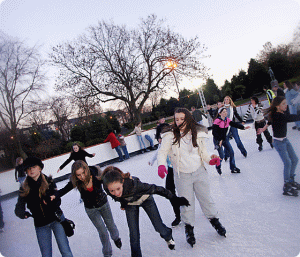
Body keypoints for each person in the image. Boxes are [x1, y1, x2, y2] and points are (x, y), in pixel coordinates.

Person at [157, 107, 226, 247]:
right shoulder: (170, 136)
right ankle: (189, 230)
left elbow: (204, 153)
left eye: (182, 119)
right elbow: (162, 152)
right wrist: (161, 165)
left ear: (188, 119)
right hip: (182, 175)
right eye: (177, 119)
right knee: (186, 204)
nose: (179, 122)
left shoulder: (197, 133)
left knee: (206, 199)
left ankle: (215, 222)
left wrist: (210, 159)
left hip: (199, 171)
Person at [101, 166, 189, 256]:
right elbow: (118, 197)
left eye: (118, 189)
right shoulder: (107, 187)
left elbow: (157, 189)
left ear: (123, 181)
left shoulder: (136, 185)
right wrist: (123, 203)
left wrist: (175, 199)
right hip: (130, 204)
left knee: (158, 226)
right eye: (112, 190)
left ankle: (167, 235)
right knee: (133, 234)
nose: (116, 193)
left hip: (146, 199)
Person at [52, 160, 122, 257]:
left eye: (83, 173)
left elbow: (109, 185)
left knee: (110, 225)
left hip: (103, 204)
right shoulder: (76, 182)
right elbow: (63, 190)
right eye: (78, 175)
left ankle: (116, 238)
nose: (82, 177)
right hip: (91, 209)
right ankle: (107, 253)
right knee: (102, 231)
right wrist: (54, 195)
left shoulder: (96, 175)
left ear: (87, 170)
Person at [15, 157, 73, 257]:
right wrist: (22, 213)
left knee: (65, 251)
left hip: (56, 219)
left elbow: (58, 200)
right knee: (46, 255)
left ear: (40, 168)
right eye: (28, 168)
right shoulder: (24, 187)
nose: (31, 170)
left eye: (33, 167)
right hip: (40, 224)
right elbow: (19, 207)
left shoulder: (49, 181)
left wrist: (51, 201)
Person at [258, 96, 300, 196]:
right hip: (278, 143)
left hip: (285, 140)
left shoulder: (279, 113)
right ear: (277, 106)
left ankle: (290, 180)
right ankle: (286, 185)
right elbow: (289, 118)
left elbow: (269, 121)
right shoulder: (278, 115)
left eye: (286, 103)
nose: (286, 105)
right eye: (283, 104)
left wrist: (264, 128)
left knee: (294, 159)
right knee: (288, 163)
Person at [148, 140, 181, 227]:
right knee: (170, 191)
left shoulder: (173, 141)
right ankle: (178, 215)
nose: (159, 140)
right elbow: (158, 153)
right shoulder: (161, 145)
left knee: (186, 190)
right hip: (170, 170)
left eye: (161, 138)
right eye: (158, 138)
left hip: (181, 169)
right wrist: (152, 160)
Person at [213, 107, 250, 174]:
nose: (225, 113)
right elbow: (214, 133)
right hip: (217, 140)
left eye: (226, 111)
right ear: (220, 113)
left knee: (231, 152)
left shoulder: (227, 120)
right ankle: (218, 166)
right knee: (221, 155)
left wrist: (243, 127)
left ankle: (233, 168)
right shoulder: (217, 121)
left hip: (224, 139)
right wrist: (219, 140)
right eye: (223, 112)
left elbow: (235, 124)